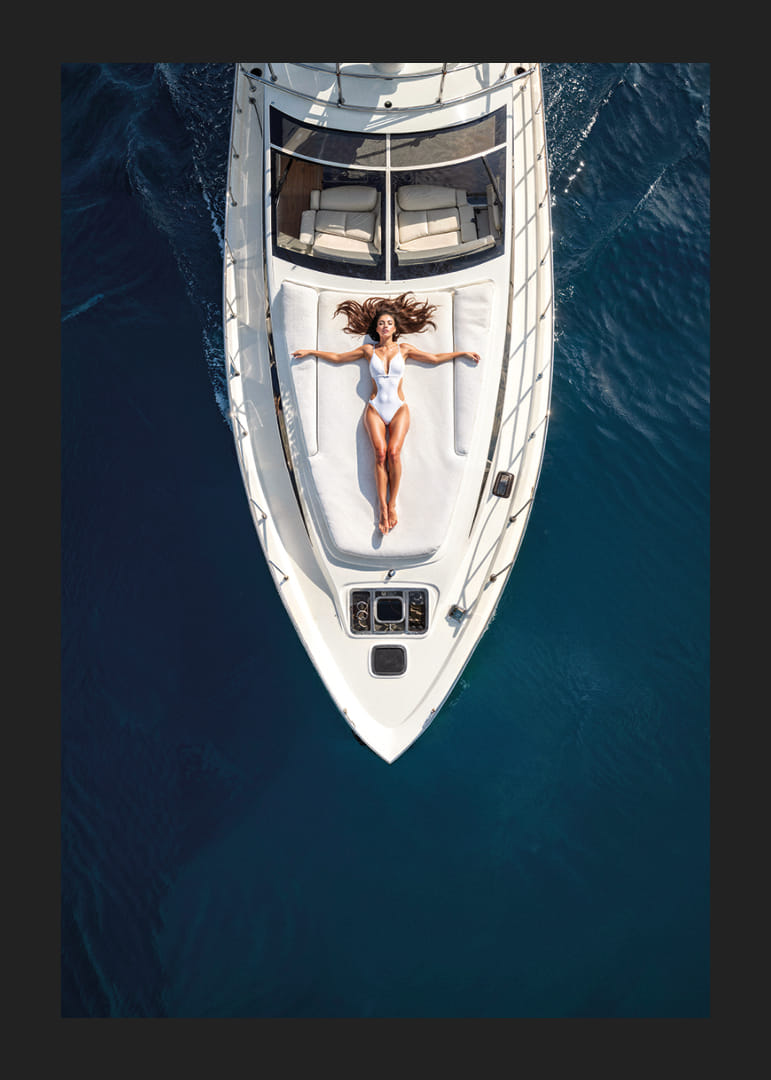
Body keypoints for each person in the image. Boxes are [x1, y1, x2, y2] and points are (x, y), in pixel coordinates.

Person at [292, 293, 480, 535]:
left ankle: (393, 504)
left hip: (399, 408)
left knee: (394, 452)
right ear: (377, 329)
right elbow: (338, 358)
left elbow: (433, 359)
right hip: (374, 408)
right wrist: (310, 352)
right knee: (380, 455)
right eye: (381, 323)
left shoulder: (405, 349)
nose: (385, 326)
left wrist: (461, 354)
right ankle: (382, 508)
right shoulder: (368, 351)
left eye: (389, 323)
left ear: (395, 328)